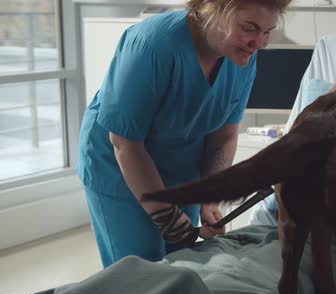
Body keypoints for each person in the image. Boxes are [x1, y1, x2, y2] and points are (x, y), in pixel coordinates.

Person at [77, 0, 290, 268]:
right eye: (249, 28)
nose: (260, 43)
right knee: (141, 272)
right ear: (213, 7)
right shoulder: (153, 45)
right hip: (119, 166)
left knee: (181, 263)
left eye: (267, 32)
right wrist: (165, 215)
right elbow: (125, 143)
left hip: (181, 170)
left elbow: (223, 137)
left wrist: (210, 196)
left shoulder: (243, 57)